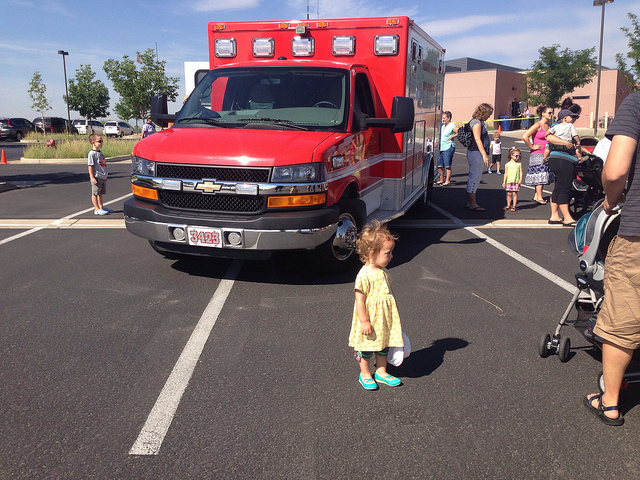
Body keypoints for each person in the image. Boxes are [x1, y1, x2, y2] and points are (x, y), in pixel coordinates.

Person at [584, 91, 640, 427]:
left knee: (624, 316)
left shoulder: (636, 103)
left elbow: (616, 171)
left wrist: (610, 199)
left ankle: (610, 402)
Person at [348, 220, 404, 391]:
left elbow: (389, 292)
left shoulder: (384, 272)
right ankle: (365, 373)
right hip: (370, 319)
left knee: (383, 345)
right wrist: (364, 321)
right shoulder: (364, 275)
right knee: (366, 347)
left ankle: (381, 371)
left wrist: (394, 311)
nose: (391, 256)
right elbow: (359, 299)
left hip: (384, 318)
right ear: (372, 253)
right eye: (388, 253)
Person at [523, 105, 554, 205]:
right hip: (537, 154)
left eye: (552, 113)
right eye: (549, 112)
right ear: (543, 114)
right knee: (539, 175)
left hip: (546, 153)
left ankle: (536, 195)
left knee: (543, 174)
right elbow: (525, 136)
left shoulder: (549, 126)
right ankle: (540, 197)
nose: (551, 114)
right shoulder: (537, 125)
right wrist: (532, 146)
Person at [465, 103, 493, 211]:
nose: (489, 116)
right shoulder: (476, 123)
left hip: (474, 152)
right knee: (474, 177)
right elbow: (477, 139)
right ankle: (473, 203)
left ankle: (470, 202)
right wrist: (484, 155)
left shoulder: (476, 121)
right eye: (488, 114)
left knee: (474, 177)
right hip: (476, 152)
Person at [88, 134, 110, 216]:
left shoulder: (100, 153)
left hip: (102, 176)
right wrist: (92, 177)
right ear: (93, 142)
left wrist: (105, 175)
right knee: (95, 193)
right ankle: (96, 208)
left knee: (100, 193)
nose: (101, 143)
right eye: (99, 141)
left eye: (102, 141)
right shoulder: (92, 154)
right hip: (96, 176)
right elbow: (90, 166)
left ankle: (101, 206)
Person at [436, 111, 457, 186]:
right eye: (442, 118)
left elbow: (458, 132)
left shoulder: (452, 126)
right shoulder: (442, 126)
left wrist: (452, 136)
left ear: (449, 118)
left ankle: (447, 181)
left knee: (447, 165)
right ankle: (441, 179)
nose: (443, 119)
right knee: (440, 165)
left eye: (444, 118)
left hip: (448, 147)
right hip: (441, 147)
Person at [502, 147, 523, 212]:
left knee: (514, 193)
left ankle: (514, 206)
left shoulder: (519, 164)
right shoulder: (507, 164)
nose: (517, 157)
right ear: (511, 155)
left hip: (516, 181)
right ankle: (508, 205)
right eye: (516, 156)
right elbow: (506, 173)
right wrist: (504, 182)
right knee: (509, 193)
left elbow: (521, 172)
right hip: (509, 181)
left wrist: (520, 180)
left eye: (519, 156)